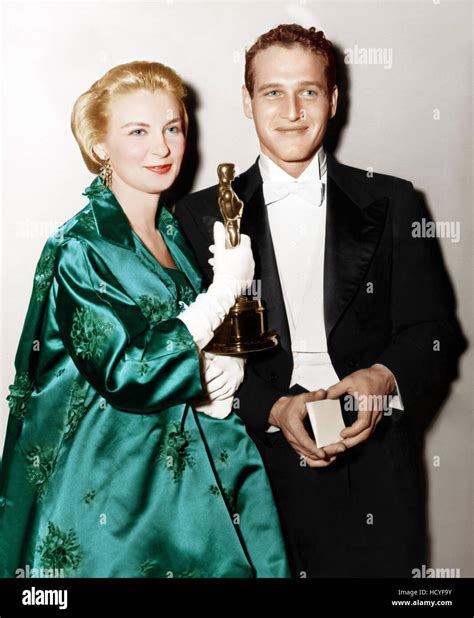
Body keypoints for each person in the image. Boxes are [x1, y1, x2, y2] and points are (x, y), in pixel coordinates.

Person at [175, 24, 466, 577]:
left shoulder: (395, 200)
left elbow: (434, 330)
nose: (291, 110)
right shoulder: (197, 216)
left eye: (308, 91)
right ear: (247, 101)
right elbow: (194, 354)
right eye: (272, 92)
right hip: (249, 464)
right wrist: (274, 408)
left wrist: (383, 375)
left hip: (372, 455)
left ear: (333, 100)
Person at [0, 60, 291, 578]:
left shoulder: (173, 233)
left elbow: (183, 344)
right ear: (100, 145)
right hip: (107, 504)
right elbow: (130, 371)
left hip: (184, 482)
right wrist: (223, 293)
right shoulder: (78, 247)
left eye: (172, 128)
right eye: (138, 131)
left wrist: (223, 363)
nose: (162, 148)